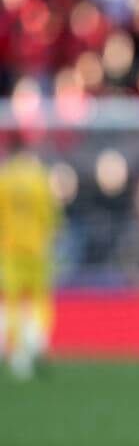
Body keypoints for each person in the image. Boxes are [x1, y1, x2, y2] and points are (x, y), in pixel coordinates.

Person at [0, 137, 61, 379]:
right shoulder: (39, 179)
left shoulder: (3, 180)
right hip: (37, 248)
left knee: (12, 300)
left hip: (10, 249)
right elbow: (50, 214)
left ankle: (17, 353)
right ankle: (38, 341)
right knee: (39, 297)